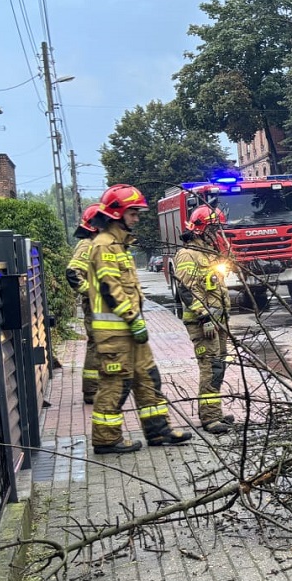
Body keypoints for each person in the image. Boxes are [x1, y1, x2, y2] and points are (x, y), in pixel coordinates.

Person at [87, 183, 192, 454]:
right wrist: (133, 318)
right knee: (115, 384)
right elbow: (112, 287)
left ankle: (159, 432)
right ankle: (106, 439)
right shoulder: (104, 246)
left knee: (148, 378)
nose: (136, 218)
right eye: (133, 213)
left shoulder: (120, 246)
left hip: (130, 330)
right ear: (117, 214)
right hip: (116, 332)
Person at [172, 205, 234, 434]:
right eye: (214, 228)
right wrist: (204, 316)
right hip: (203, 323)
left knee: (218, 367)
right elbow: (186, 290)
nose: (217, 233)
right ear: (201, 229)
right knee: (209, 367)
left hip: (218, 322)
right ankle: (209, 418)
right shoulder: (187, 255)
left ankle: (215, 412)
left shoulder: (208, 254)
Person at [65, 203, 102, 404]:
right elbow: (72, 273)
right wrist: (93, 293)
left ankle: (97, 388)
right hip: (95, 307)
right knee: (96, 346)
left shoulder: (97, 244)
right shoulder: (87, 245)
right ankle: (91, 391)